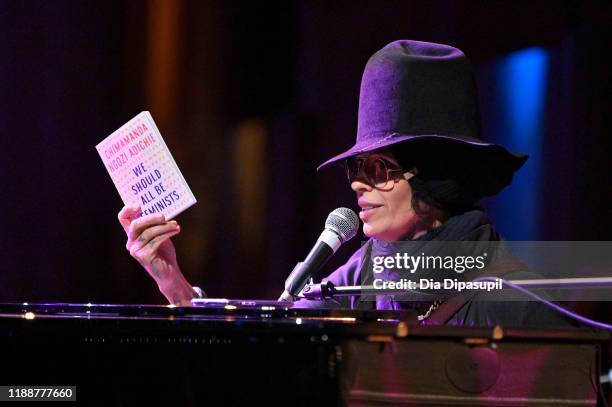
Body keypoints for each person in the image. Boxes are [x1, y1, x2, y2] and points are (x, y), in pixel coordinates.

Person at [118, 40, 570, 326]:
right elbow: (263, 343)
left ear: (435, 179)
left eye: (378, 169)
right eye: (356, 170)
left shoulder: (518, 303)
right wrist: (174, 284)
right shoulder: (364, 271)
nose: (356, 187)